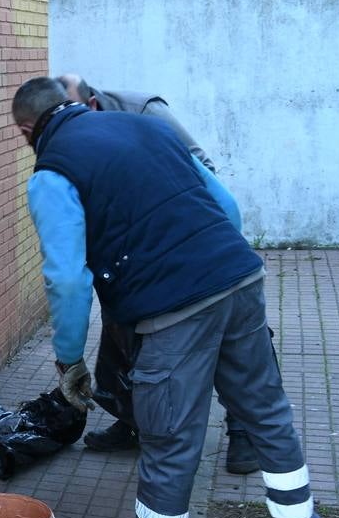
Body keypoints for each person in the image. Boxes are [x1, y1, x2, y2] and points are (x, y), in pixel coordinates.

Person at [13, 76, 323, 518]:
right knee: (268, 415)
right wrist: (216, 265)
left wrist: (69, 358)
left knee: (170, 439)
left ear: (26, 131)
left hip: (173, 310)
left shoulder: (51, 173)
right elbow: (225, 205)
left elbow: (66, 279)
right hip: (239, 278)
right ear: (74, 106)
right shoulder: (144, 127)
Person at [55, 73, 259, 476]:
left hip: (197, 244)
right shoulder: (76, 137)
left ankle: (245, 430)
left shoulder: (145, 112)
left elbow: (205, 171)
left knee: (233, 333)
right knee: (119, 325)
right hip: (129, 252)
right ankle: (129, 420)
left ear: (91, 105)